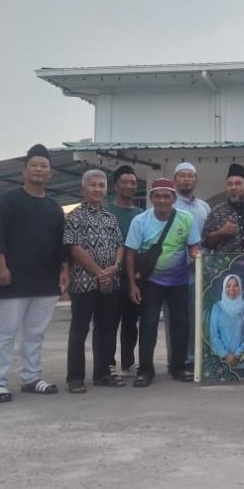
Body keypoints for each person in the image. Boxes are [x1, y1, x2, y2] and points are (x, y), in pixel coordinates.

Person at [0, 144, 68, 403]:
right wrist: (0, 265)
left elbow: (61, 243)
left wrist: (64, 270)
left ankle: (31, 377)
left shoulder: (55, 208)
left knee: (36, 332)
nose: (39, 170)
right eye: (34, 165)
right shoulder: (6, 200)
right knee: (6, 331)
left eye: (44, 166)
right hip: (13, 276)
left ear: (50, 174)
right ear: (24, 171)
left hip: (46, 278)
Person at [124, 178, 201, 387]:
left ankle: (178, 367)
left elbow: (193, 247)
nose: (162, 200)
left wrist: (197, 257)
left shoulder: (186, 219)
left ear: (174, 198)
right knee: (148, 325)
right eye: (157, 196)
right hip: (150, 283)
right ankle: (145, 371)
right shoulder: (140, 221)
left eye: (167, 196)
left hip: (179, 282)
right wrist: (132, 284)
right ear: (151, 198)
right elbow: (130, 253)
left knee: (181, 325)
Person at [64, 169, 125, 393]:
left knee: (106, 328)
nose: (97, 189)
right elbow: (74, 248)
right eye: (93, 185)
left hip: (110, 282)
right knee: (79, 330)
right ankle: (75, 378)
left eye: (101, 185)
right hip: (84, 282)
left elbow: (120, 245)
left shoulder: (110, 217)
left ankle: (102, 374)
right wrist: (100, 273)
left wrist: (114, 268)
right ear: (83, 189)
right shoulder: (75, 216)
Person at [172, 162, 210, 372]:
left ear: (196, 180)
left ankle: (195, 358)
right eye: (182, 176)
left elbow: (208, 238)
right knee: (178, 318)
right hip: (176, 272)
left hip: (200, 271)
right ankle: (178, 360)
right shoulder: (169, 205)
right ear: (175, 180)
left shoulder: (204, 207)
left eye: (190, 176)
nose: (186, 179)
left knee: (198, 317)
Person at [106, 165, 144, 375]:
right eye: (125, 182)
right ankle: (108, 363)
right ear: (115, 186)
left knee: (131, 322)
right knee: (110, 321)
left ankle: (128, 362)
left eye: (133, 183)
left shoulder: (141, 215)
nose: (129, 186)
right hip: (111, 274)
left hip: (135, 276)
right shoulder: (107, 212)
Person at [202, 163, 244, 254]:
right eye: (229, 184)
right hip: (225, 262)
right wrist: (220, 232)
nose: (233, 187)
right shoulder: (217, 211)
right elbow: (205, 243)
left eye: (238, 184)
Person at [209, 274, 244, 368]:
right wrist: (225, 354)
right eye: (228, 286)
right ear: (224, 288)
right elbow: (214, 334)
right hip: (221, 359)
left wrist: (238, 354)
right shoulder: (217, 307)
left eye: (236, 286)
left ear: (240, 287)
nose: (232, 289)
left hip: (243, 359)